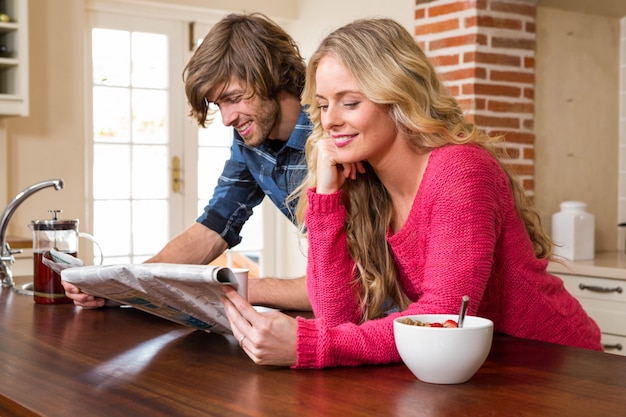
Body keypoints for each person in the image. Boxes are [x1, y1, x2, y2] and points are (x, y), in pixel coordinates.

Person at [221, 17, 603, 369]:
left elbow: (443, 316)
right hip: (472, 370)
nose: (330, 120)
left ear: (399, 96)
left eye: (350, 102)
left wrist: (313, 344)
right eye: (322, 105)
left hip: (556, 365)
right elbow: (336, 317)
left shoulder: (461, 171)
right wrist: (326, 195)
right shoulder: (365, 182)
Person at [62, 12, 310, 311]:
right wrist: (125, 285)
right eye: (219, 104)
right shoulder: (250, 139)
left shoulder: (336, 136)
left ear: (271, 76)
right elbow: (215, 225)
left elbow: (351, 282)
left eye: (233, 98)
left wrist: (237, 288)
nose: (227, 119)